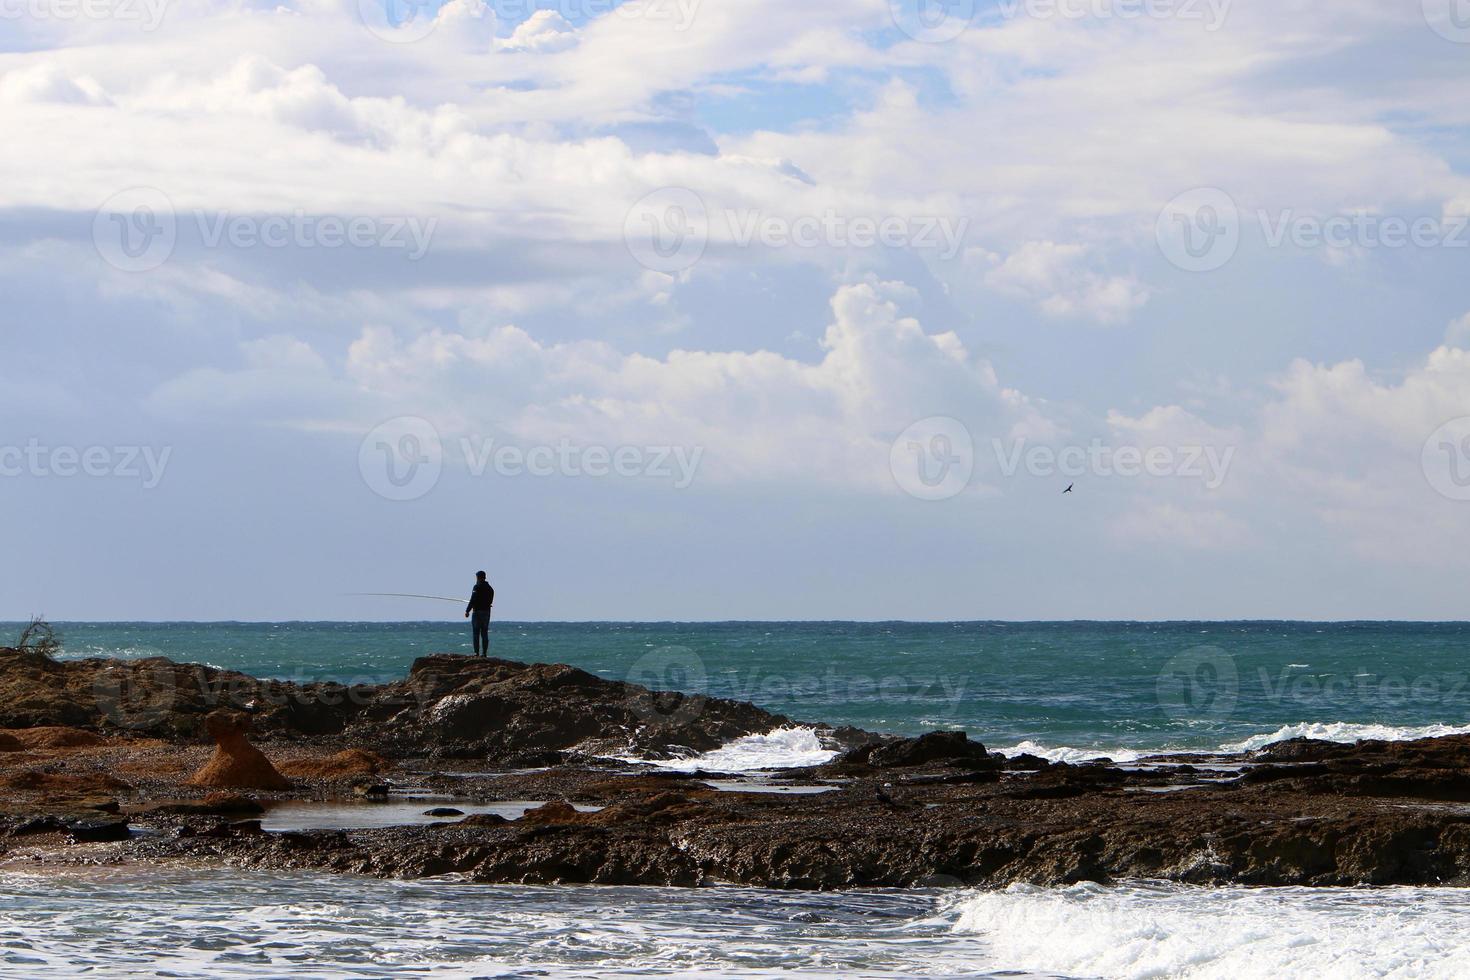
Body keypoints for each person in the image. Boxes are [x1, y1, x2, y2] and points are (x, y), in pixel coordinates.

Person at [464, 571, 495, 657]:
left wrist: (467, 611)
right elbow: (490, 601)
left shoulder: (476, 587)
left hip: (477, 612)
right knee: (484, 633)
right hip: (487, 613)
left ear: (479, 577)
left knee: (476, 633)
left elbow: (473, 599)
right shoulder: (490, 589)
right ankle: (484, 653)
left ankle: (476, 653)